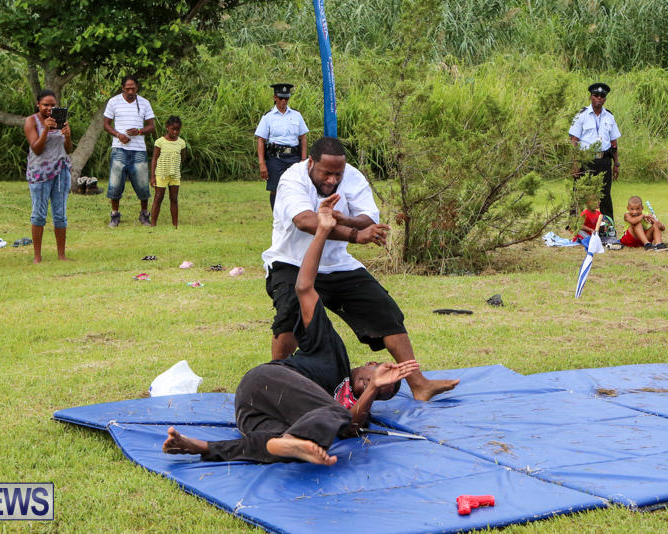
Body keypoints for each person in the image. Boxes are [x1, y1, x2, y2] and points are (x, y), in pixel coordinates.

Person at [163, 194, 419, 465]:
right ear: (371, 364)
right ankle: (291, 440)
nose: (376, 387)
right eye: (379, 378)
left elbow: (353, 426)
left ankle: (202, 446)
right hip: (265, 381)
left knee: (275, 444)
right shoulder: (333, 354)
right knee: (337, 416)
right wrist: (322, 232)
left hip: (250, 408)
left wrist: (372, 390)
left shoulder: (351, 408)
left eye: (380, 394)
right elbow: (304, 288)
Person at [262, 137, 458, 401]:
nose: (332, 180)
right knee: (290, 314)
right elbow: (305, 221)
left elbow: (368, 218)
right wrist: (354, 235)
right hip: (291, 262)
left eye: (337, 174)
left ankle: (419, 384)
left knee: (385, 311)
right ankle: (275, 386)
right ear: (310, 163)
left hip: (337, 265)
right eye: (326, 173)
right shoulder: (292, 179)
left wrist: (345, 219)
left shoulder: (352, 177)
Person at [23, 89, 73, 264]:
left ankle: (61, 255)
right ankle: (37, 256)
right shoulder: (31, 121)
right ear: (38, 104)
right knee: (39, 214)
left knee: (60, 214)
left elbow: (68, 149)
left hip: (61, 171)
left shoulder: (62, 122)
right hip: (40, 173)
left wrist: (68, 136)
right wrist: (45, 129)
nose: (49, 108)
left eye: (53, 105)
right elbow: (37, 149)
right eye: (45, 105)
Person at [103, 75, 155, 227]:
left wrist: (139, 131)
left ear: (137, 88)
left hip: (138, 149)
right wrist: (118, 135)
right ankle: (114, 215)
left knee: (142, 184)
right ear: (122, 88)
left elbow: (151, 126)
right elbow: (106, 124)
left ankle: (144, 214)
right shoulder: (114, 102)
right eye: (128, 89)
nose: (131, 91)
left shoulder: (144, 103)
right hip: (119, 148)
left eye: (133, 88)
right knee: (115, 184)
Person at [569, 82, 621, 221]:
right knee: (579, 191)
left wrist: (616, 164)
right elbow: (574, 141)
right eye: (596, 95)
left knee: (605, 194)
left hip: (604, 160)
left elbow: (614, 142)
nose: (599, 98)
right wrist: (574, 163)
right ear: (590, 96)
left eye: (602, 96)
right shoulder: (581, 115)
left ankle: (607, 225)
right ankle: (574, 223)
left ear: (605, 98)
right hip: (586, 159)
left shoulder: (609, 117)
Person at [255, 83, 308, 210]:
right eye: (280, 98)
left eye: (286, 98)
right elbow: (261, 140)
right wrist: (262, 163)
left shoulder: (296, 115)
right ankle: (277, 216)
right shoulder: (268, 117)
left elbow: (303, 138)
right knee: (275, 189)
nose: (283, 101)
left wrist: (303, 159)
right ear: (275, 98)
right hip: (275, 158)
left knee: (296, 188)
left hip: (294, 157)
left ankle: (293, 215)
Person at [150, 116, 186, 228]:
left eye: (177, 129)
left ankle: (175, 224)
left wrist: (174, 165)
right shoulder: (160, 142)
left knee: (174, 199)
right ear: (167, 127)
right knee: (158, 198)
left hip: (174, 175)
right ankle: (153, 224)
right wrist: (152, 176)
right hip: (161, 174)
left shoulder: (181, 143)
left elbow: (183, 157)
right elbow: (154, 159)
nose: (175, 132)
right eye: (173, 129)